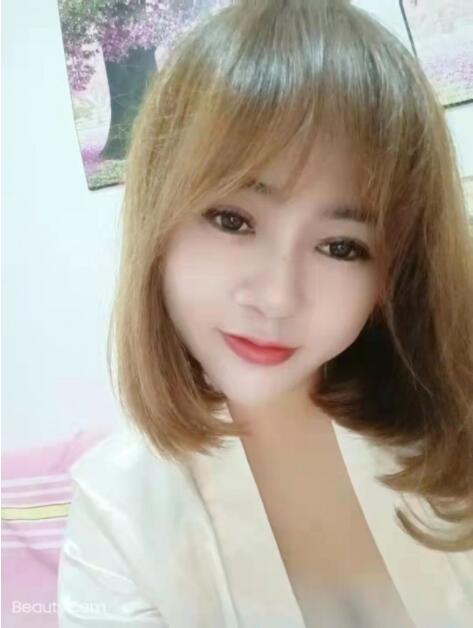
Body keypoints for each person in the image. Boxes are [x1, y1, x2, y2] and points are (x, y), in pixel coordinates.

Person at [57, 0, 473, 626]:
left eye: (341, 247)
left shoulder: (451, 430)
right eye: (233, 219)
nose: (278, 297)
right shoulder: (117, 511)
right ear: (158, 220)